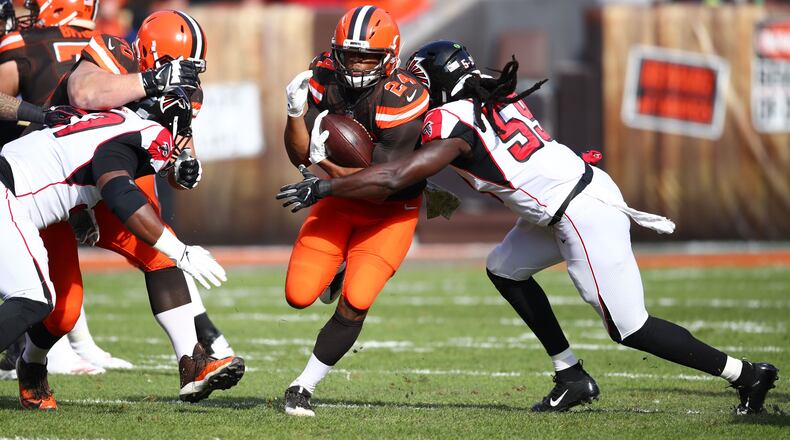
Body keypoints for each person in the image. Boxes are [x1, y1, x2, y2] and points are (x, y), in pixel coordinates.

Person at [277, 40, 779, 415]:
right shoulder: (489, 99)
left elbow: (394, 175)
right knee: (504, 269)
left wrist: (321, 186)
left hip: (579, 212)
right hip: (564, 200)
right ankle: (571, 375)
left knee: (629, 327)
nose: (415, 89)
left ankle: (746, 374)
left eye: (421, 80)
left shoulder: (450, 121)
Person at [12, 7, 243, 406]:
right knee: (64, 310)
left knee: (162, 250)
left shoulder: (184, 90)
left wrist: (186, 166)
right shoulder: (113, 50)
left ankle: (192, 361)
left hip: (113, 179)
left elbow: (177, 147)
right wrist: (149, 81)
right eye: (179, 65)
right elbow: (85, 93)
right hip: (62, 184)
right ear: (152, 54)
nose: (187, 75)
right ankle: (32, 364)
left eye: (193, 67)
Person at [280, 5, 430, 417]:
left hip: (390, 209)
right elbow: (298, 155)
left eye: (368, 56)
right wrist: (294, 114)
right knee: (297, 295)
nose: (358, 65)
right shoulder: (324, 74)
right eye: (351, 55)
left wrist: (324, 167)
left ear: (390, 56)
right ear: (336, 51)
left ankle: (302, 386)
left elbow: (382, 184)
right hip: (341, 202)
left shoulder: (402, 95)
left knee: (357, 298)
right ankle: (338, 266)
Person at [0, 0, 135, 377]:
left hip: (19, 183)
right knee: (32, 294)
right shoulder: (44, 44)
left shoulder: (26, 43)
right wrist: (37, 114)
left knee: (35, 294)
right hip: (14, 183)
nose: (16, 18)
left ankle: (36, 355)